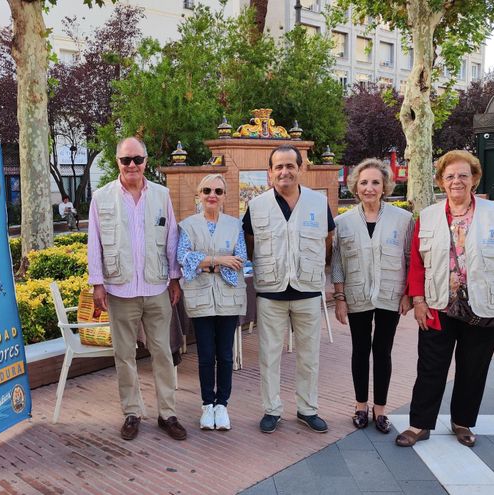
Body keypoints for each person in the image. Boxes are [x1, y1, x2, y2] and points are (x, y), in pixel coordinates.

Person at [395, 150, 494, 448]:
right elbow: (417, 263)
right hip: (437, 304)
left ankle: (462, 422)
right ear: (441, 182)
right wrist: (417, 300)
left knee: (473, 368)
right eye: (450, 176)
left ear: (474, 179)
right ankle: (419, 424)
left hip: (484, 306)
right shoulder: (428, 216)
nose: (456, 181)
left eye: (463, 175)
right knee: (430, 366)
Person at [87, 136, 186, 441]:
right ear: (117, 162)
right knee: (124, 355)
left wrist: (174, 277)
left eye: (137, 159)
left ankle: (167, 413)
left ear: (146, 161)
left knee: (163, 353)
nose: (132, 165)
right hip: (120, 289)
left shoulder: (161, 195)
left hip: (156, 287)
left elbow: (170, 238)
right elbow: (95, 242)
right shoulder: (101, 197)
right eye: (125, 160)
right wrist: (97, 283)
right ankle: (132, 411)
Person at [243, 144, 336, 434]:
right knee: (269, 355)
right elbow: (249, 244)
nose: (284, 171)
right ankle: (272, 409)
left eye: (290, 166)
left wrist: (315, 266)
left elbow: (328, 239)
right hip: (271, 292)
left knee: (309, 356)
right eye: (278, 167)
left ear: (300, 168)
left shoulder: (318, 204)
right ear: (270, 172)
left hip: (307, 291)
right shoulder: (256, 206)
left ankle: (307, 409)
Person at [331, 159, 413, 434]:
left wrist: (409, 294)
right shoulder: (342, 223)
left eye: (375, 182)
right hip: (357, 295)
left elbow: (410, 258)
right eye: (364, 182)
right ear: (355, 186)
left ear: (385, 186)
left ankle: (380, 408)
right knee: (360, 349)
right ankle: (359, 405)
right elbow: (338, 262)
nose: (369, 188)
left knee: (383, 351)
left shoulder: (402, 220)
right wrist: (340, 298)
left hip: (391, 295)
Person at [177, 173, 247, 431]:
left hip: (228, 297)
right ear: (199, 194)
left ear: (225, 196)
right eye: (207, 190)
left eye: (218, 191)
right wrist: (218, 261)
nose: (212, 195)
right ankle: (207, 404)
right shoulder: (187, 226)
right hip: (201, 296)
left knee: (225, 355)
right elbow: (183, 257)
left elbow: (239, 259)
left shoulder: (235, 225)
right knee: (206, 355)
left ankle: (222, 405)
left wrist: (203, 262)